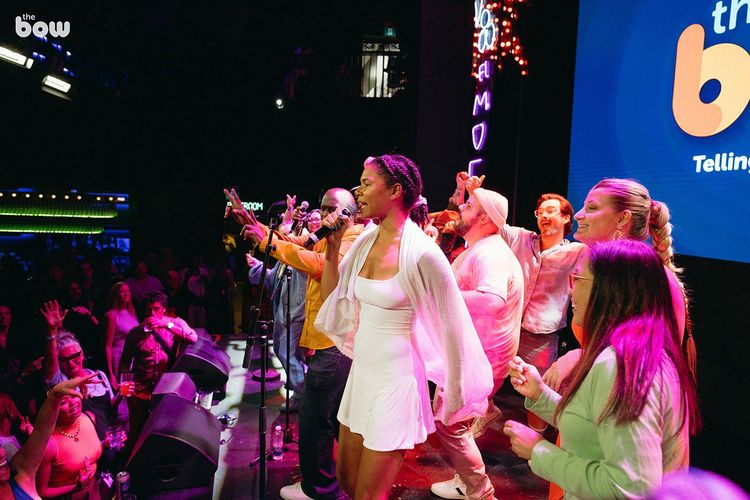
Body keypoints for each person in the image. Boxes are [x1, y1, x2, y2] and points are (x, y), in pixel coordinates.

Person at [315, 154, 493, 500]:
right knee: (347, 479)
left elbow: (454, 326)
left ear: (395, 190)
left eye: (366, 184)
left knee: (369, 494)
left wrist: (454, 391)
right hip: (363, 375)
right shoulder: (364, 242)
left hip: (396, 381)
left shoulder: (423, 253)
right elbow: (333, 300)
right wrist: (332, 250)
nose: (358, 192)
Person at [503, 240, 700, 499]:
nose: (571, 290)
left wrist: (539, 451)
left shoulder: (620, 366)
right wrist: (540, 395)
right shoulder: (636, 356)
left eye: (578, 280)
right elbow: (594, 429)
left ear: (610, 291)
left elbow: (628, 489)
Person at [226, 185, 365, 500]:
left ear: (351, 214)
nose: (325, 214)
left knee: (314, 418)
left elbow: (317, 264)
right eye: (323, 207)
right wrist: (256, 226)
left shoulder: (354, 238)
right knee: (334, 416)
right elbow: (298, 243)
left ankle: (320, 488)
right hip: (328, 339)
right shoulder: (329, 236)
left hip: (338, 343)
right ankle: (349, 477)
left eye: (332, 208)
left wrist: (266, 242)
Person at [430, 187, 523, 499]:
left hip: (482, 356)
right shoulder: (482, 248)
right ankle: (485, 414)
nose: (461, 208)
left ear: (484, 218)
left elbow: (492, 299)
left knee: (450, 424)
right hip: (478, 354)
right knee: (455, 420)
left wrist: (440, 296)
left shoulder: (490, 253)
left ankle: (479, 490)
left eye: (468, 206)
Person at [497, 193, 585, 432]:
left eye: (551, 211)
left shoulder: (577, 252)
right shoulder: (522, 239)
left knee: (539, 391)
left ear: (566, 218)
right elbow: (495, 220)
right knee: (485, 376)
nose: (544, 216)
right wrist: (473, 190)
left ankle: (536, 438)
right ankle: (483, 415)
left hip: (541, 335)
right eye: (540, 212)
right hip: (508, 327)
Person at [3, 374, 99, 500]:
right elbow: (42, 491)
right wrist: (77, 486)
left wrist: (105, 444)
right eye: (63, 402)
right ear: (54, 410)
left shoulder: (88, 417)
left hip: (94, 488)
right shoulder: (49, 445)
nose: (72, 403)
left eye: (73, 395)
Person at [119, 291, 197, 443]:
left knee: (164, 431)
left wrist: (166, 325)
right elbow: (124, 363)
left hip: (165, 389)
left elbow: (193, 337)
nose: (152, 313)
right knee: (138, 432)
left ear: (164, 309)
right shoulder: (135, 333)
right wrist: (126, 384)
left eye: (156, 309)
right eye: (148, 310)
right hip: (140, 390)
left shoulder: (173, 323)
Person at [103, 282, 139, 389]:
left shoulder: (132, 311)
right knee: (124, 390)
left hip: (134, 357)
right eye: (122, 291)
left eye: (128, 291)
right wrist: (111, 374)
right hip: (119, 357)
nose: (126, 293)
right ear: (116, 295)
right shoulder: (112, 315)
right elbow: (108, 346)